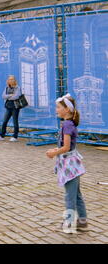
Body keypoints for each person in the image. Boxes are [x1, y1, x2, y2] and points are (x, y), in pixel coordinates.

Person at [46, 94, 87, 234]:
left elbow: (67, 147)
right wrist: (56, 150)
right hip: (71, 162)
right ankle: (82, 221)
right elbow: (65, 146)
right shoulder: (68, 123)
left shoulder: (67, 125)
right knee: (76, 194)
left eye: (58, 107)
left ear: (67, 110)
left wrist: (54, 153)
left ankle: (69, 224)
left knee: (70, 195)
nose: (56, 109)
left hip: (69, 164)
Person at [0, 75, 22, 142]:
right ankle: (1, 136)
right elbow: (3, 96)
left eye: (12, 79)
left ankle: (15, 137)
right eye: (9, 79)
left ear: (14, 80)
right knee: (4, 121)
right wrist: (10, 95)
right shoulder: (6, 87)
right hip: (8, 107)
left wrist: (8, 97)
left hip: (15, 107)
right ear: (8, 81)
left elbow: (16, 96)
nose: (11, 80)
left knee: (15, 122)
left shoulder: (17, 87)